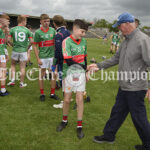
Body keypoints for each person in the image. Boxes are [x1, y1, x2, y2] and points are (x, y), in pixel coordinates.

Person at [88, 12, 150, 150]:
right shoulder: (126, 40)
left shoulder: (143, 40)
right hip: (124, 86)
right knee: (117, 112)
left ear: (128, 24)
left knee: (139, 118)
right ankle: (109, 135)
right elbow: (115, 58)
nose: (118, 29)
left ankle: (148, 144)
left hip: (136, 88)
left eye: (120, 26)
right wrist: (98, 66)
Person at [56, 19, 88, 139]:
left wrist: (86, 72)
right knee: (67, 99)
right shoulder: (66, 41)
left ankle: (79, 126)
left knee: (79, 99)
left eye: (84, 32)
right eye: (82, 31)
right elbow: (69, 61)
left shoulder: (84, 41)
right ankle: (64, 121)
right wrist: (85, 67)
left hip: (80, 73)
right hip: (68, 73)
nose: (83, 34)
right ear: (75, 29)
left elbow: (84, 58)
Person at [33, 14, 59, 101]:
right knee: (41, 75)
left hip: (52, 57)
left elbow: (56, 43)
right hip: (43, 57)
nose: (46, 23)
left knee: (54, 74)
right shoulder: (37, 32)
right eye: (44, 21)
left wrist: (56, 55)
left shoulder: (53, 31)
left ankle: (52, 93)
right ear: (41, 21)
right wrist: (38, 59)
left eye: (48, 21)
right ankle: (42, 94)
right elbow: (35, 46)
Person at [7, 15, 33, 88]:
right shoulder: (27, 30)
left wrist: (13, 45)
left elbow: (8, 40)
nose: (26, 23)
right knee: (22, 68)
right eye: (26, 21)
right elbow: (31, 42)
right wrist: (27, 48)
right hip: (23, 51)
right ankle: (21, 83)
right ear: (23, 21)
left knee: (13, 65)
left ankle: (12, 80)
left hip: (15, 50)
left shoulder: (12, 29)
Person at [52, 15, 70, 108]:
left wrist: (55, 63)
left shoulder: (59, 34)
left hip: (62, 62)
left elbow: (58, 51)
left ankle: (64, 102)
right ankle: (68, 98)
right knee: (67, 80)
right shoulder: (68, 32)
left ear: (54, 23)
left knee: (63, 81)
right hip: (70, 60)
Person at [0, 14, 10, 96]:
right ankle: (3, 90)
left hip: (2, 53)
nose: (8, 22)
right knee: (3, 71)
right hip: (0, 53)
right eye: (7, 20)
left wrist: (6, 33)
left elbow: (5, 41)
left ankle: (3, 90)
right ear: (1, 20)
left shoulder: (2, 30)